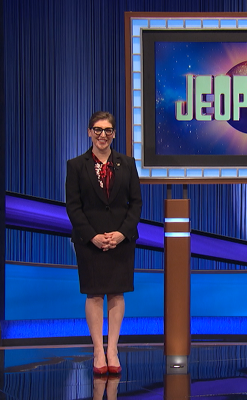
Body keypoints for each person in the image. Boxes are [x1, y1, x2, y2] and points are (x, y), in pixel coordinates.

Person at [66, 111, 142, 375]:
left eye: (107, 130)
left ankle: (113, 349)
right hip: (90, 242)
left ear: (114, 134)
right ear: (89, 132)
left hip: (121, 240)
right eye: (97, 130)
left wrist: (121, 234)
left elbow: (136, 204)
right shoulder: (76, 166)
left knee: (117, 292)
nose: (102, 135)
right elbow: (74, 208)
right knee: (95, 293)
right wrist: (93, 236)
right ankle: (98, 350)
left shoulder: (128, 164)